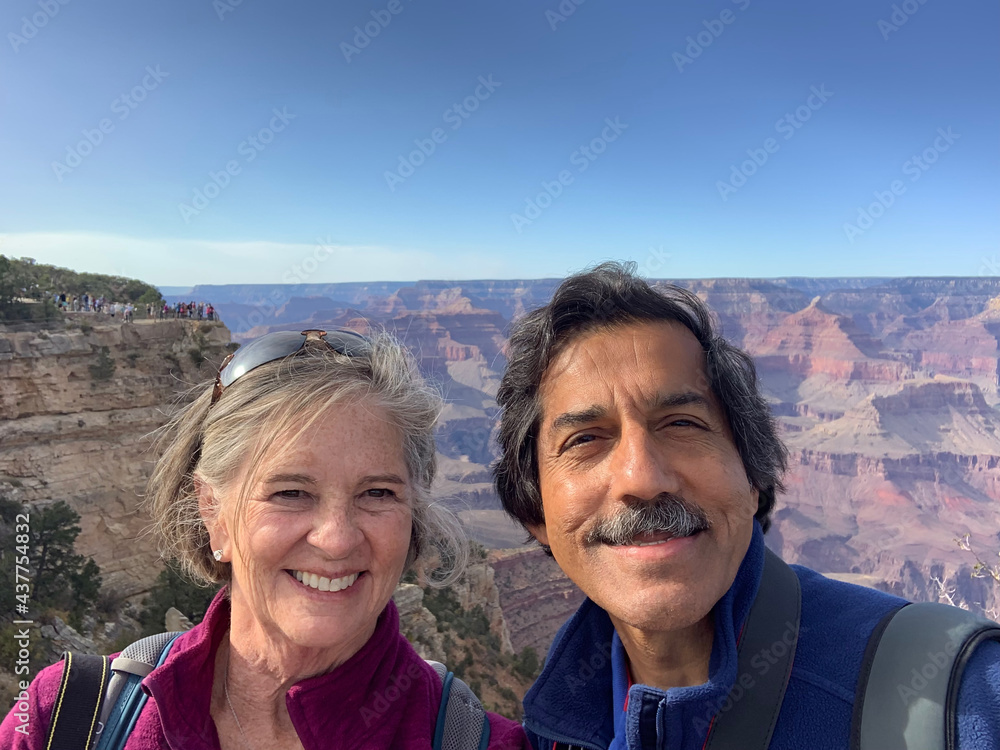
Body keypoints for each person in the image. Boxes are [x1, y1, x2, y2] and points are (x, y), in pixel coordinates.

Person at [493, 263, 1000, 750]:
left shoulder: (963, 696)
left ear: (753, 475)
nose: (642, 478)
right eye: (586, 439)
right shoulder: (554, 726)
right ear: (534, 511)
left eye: (682, 424)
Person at [2, 328, 531, 750]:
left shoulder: (482, 743)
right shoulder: (64, 719)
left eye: (376, 492)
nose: (337, 540)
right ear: (214, 511)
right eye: (291, 492)